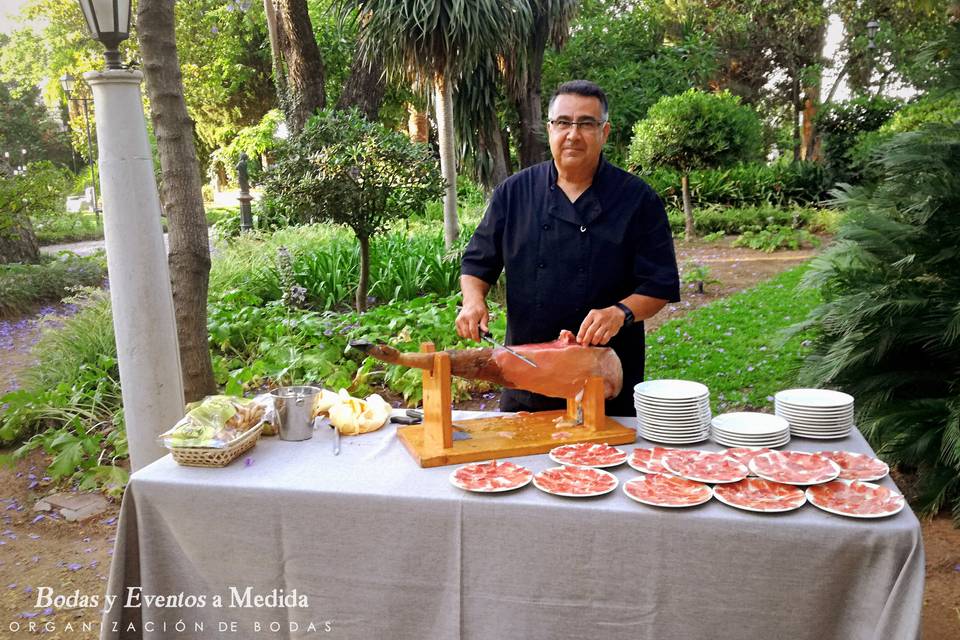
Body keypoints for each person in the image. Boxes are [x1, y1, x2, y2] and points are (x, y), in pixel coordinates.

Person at [455, 80, 680, 416]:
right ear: (549, 129)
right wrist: (473, 302)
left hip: (604, 378)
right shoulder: (514, 193)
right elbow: (477, 262)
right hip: (526, 373)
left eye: (586, 124)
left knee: (606, 464)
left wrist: (621, 312)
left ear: (604, 132)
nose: (573, 134)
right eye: (563, 122)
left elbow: (659, 285)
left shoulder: (637, 199)